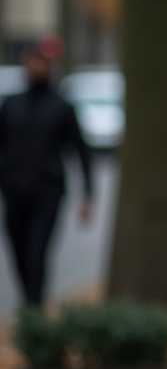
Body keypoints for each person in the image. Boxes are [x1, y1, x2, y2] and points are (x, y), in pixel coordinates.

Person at [0, 48, 93, 307]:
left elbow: (80, 151)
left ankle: (35, 307)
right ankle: (28, 301)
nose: (34, 68)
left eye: (39, 64)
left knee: (36, 251)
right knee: (17, 252)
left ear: (49, 67)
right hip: (14, 191)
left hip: (47, 193)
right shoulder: (11, 105)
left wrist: (87, 194)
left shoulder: (61, 107)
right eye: (29, 63)